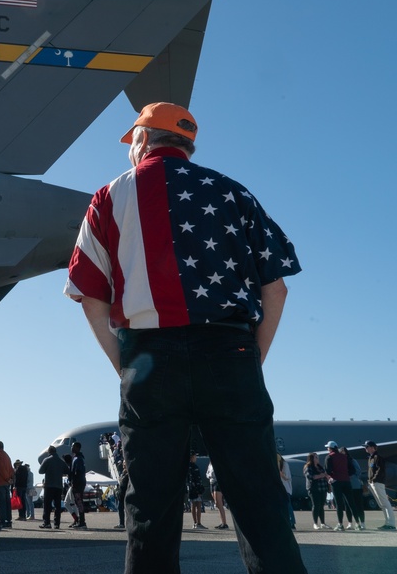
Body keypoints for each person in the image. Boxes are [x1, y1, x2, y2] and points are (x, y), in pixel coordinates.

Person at [64, 102, 306, 573]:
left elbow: (88, 294)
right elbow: (276, 287)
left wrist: (125, 364)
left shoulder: (109, 197)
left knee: (150, 507)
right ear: (186, 144)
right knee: (259, 499)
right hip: (231, 351)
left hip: (149, 357)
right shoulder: (232, 192)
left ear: (141, 139)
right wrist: (251, 359)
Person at [324, 440, 356, 531]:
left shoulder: (329, 457)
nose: (327, 449)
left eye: (328, 448)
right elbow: (352, 470)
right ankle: (358, 523)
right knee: (350, 502)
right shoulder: (345, 457)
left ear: (330, 448)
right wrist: (345, 474)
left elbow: (328, 471)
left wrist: (332, 477)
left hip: (336, 481)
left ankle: (340, 524)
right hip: (346, 481)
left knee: (339, 504)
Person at [364, 441, 395, 530]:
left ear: (373, 447)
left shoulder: (378, 457)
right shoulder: (371, 458)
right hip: (373, 482)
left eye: (367, 446)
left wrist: (374, 479)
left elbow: (380, 470)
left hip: (377, 482)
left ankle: (391, 523)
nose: (365, 448)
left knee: (385, 502)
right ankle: (387, 522)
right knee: (381, 504)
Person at [38, 446, 66, 529]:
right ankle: (57, 524)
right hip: (58, 486)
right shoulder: (61, 461)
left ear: (49, 452)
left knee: (47, 505)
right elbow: (67, 471)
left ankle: (47, 523)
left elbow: (40, 471)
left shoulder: (47, 460)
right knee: (57, 506)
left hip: (49, 486)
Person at [340, 447, 365, 530]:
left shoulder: (352, 460)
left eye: (344, 452)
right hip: (345, 485)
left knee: (358, 504)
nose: (343, 453)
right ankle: (350, 523)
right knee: (347, 506)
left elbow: (358, 470)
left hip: (355, 485)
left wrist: (354, 478)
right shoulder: (340, 462)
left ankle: (362, 522)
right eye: (342, 452)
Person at [303, 452, 330, 529]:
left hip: (323, 488)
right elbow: (310, 476)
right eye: (316, 457)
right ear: (311, 458)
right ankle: (315, 523)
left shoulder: (320, 467)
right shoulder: (308, 467)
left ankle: (323, 523)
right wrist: (321, 475)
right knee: (316, 505)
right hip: (314, 489)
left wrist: (327, 477)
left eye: (317, 457)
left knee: (321, 505)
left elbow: (325, 475)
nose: (317, 459)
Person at [0, 441, 14, 529]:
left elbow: (2, 470)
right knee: (7, 502)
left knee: (1, 503)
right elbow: (11, 469)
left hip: (0, 483)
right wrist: (10, 479)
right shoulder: (6, 456)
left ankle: (2, 521)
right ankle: (8, 521)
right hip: (5, 484)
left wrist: (7, 479)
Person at [68, 442, 87, 529]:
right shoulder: (77, 458)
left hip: (78, 484)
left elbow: (77, 472)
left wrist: (74, 482)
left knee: (79, 502)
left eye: (73, 446)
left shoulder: (78, 459)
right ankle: (81, 521)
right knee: (78, 502)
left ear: (77, 447)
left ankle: (82, 522)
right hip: (79, 483)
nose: (71, 448)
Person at [206, 461, 229, 530]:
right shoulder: (209, 464)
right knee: (217, 505)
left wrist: (211, 475)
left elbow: (216, 473)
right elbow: (207, 473)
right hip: (211, 482)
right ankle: (222, 522)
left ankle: (224, 523)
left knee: (218, 503)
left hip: (217, 482)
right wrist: (209, 475)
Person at [187, 453, 206, 529]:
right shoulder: (194, 467)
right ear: (191, 458)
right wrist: (199, 490)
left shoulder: (188, 467)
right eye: (194, 457)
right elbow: (196, 479)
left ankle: (195, 523)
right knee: (198, 505)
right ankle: (198, 523)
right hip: (196, 489)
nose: (196, 458)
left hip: (191, 489)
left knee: (193, 505)